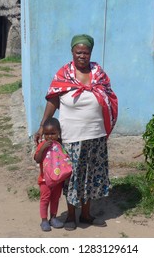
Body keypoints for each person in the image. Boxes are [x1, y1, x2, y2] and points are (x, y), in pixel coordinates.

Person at [34, 34, 118, 231]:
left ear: (91, 53)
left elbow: (109, 96)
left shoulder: (98, 73)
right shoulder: (64, 74)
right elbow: (53, 100)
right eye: (78, 52)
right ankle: (71, 216)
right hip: (72, 137)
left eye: (86, 52)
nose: (82, 56)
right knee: (72, 176)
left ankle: (86, 214)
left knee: (90, 176)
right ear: (72, 52)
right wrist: (42, 125)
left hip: (95, 135)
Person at [34, 117, 65, 232]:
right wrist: (42, 149)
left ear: (59, 133)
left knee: (55, 198)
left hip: (57, 179)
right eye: (46, 134)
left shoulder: (60, 145)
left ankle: (53, 218)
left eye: (53, 133)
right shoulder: (42, 145)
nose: (50, 137)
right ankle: (44, 220)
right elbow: (37, 159)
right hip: (45, 180)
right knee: (45, 199)